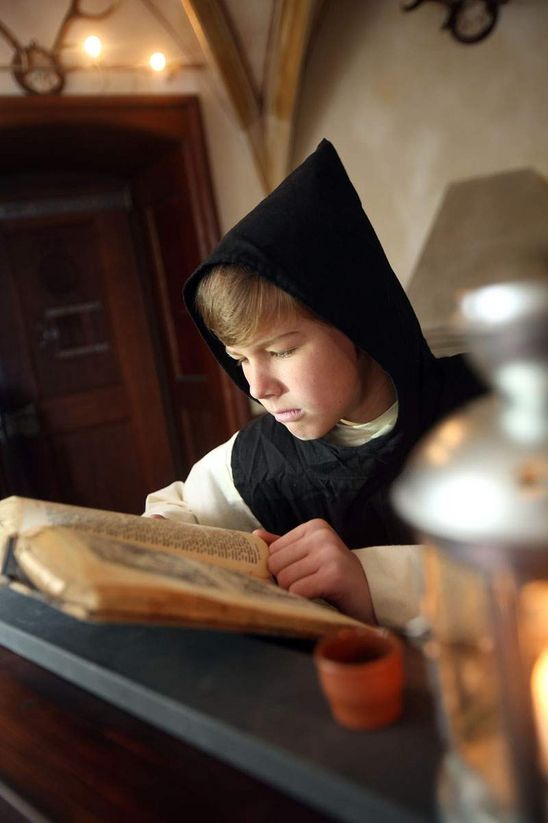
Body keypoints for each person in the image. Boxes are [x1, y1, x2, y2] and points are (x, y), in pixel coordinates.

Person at [144, 139, 485, 628]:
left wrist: (376, 581)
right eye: (240, 359)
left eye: (281, 351)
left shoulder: (493, 408)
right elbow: (178, 508)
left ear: (358, 327)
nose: (258, 387)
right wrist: (162, 536)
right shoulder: (261, 458)